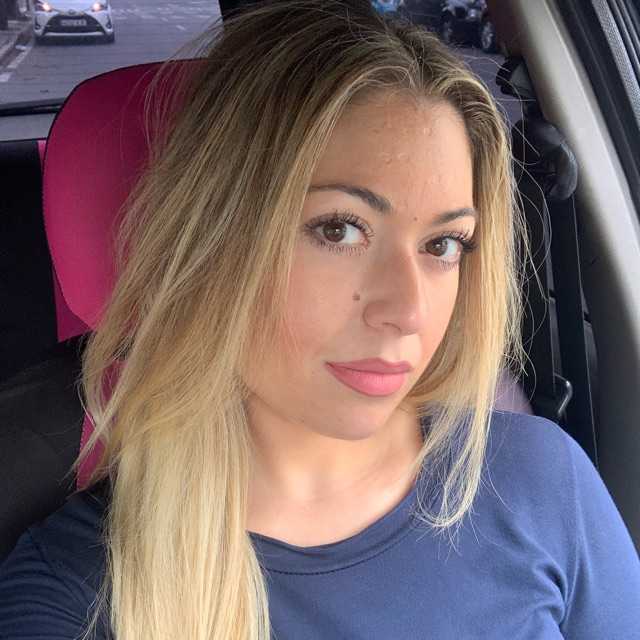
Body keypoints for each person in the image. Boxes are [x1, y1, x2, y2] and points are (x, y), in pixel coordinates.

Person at [1, 1, 639, 638]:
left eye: (443, 244)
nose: (408, 312)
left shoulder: (541, 479)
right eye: (339, 230)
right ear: (213, 243)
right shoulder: (79, 588)